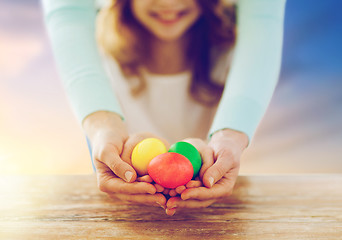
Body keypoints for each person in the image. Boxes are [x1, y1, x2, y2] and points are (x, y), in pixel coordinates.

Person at [42, 0, 286, 216]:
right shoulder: (103, 62)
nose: (168, 2)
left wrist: (230, 138)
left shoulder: (231, 58)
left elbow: (264, 18)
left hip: (221, 210)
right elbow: (67, 13)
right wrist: (103, 129)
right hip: (125, 213)